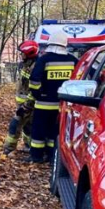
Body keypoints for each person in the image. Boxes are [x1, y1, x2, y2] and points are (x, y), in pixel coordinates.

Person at [27, 30, 77, 163]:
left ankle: (36, 156)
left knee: (38, 131)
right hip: (63, 106)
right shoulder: (72, 60)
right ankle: (51, 156)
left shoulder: (44, 59)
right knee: (54, 131)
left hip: (43, 104)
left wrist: (38, 94)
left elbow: (34, 80)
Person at [3, 40, 39, 154]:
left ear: (29, 54)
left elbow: (33, 90)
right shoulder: (26, 65)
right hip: (24, 104)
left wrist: (26, 106)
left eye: (22, 53)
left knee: (15, 125)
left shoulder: (35, 68)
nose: (20, 55)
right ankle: (29, 146)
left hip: (29, 104)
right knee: (28, 127)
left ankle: (9, 149)